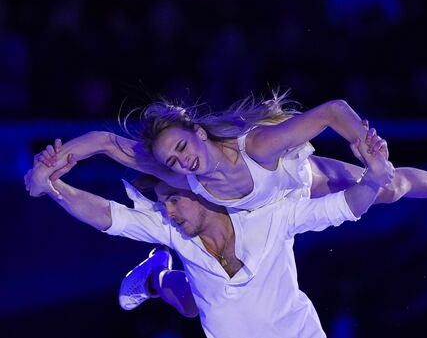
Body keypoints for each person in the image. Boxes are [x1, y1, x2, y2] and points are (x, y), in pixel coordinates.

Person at [26, 131, 395, 338]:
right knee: (194, 303)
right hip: (211, 307)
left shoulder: (268, 213)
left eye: (172, 199)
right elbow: (107, 215)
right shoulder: (170, 225)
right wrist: (54, 186)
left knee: (191, 304)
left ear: (199, 191)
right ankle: (159, 274)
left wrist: (376, 177)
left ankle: (158, 276)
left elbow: (347, 206)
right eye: (162, 203)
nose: (167, 211)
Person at [28, 92, 427, 215]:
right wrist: (48, 166)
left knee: (390, 189)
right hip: (241, 220)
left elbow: (335, 108)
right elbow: (99, 141)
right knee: (182, 226)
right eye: (172, 160)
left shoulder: (260, 145)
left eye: (183, 147)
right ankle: (160, 275)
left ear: (199, 134)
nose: (182, 162)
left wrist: (366, 145)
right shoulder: (172, 168)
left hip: (298, 184)